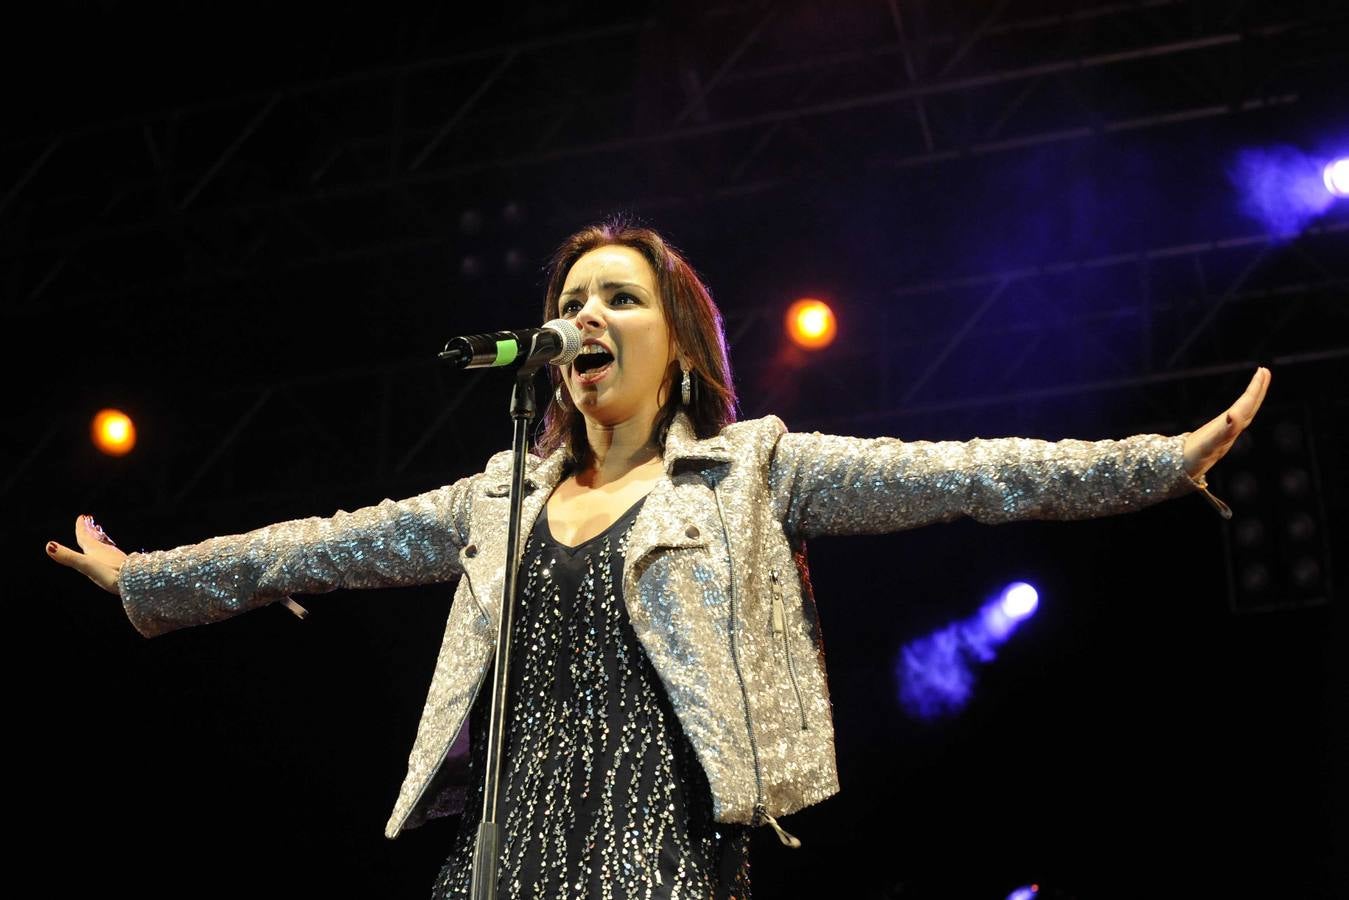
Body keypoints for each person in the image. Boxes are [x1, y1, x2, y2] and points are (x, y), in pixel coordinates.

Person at [46, 216, 1271, 899]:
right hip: (497, 866)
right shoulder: (496, 499)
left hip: (662, 863)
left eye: (618, 298)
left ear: (678, 347)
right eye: (573, 297)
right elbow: (316, 547)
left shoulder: (751, 474)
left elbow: (962, 473)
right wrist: (149, 578)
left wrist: (1155, 462)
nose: (586, 315)